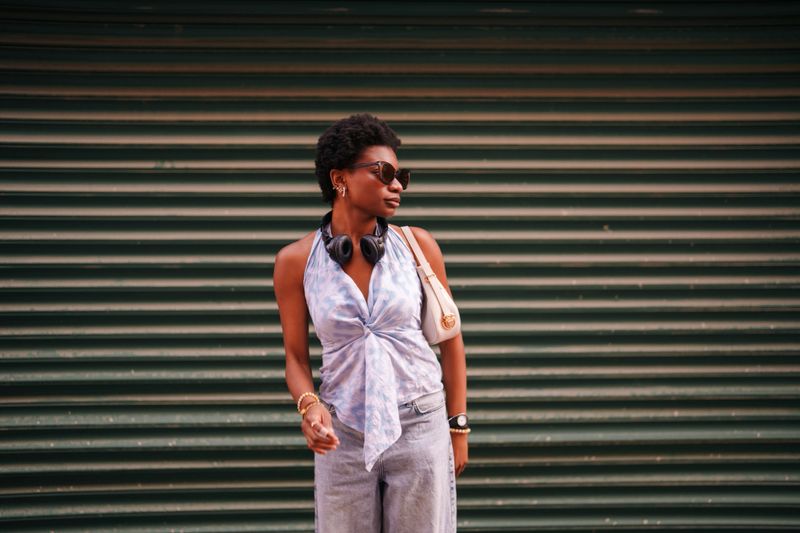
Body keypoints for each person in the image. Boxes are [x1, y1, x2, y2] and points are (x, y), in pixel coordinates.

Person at [273, 113, 468, 533]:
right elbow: (294, 357)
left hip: (420, 426)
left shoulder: (417, 246)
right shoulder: (294, 262)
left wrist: (458, 425)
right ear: (340, 178)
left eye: (402, 177)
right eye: (384, 173)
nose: (396, 185)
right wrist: (310, 407)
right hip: (341, 435)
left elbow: (451, 340)